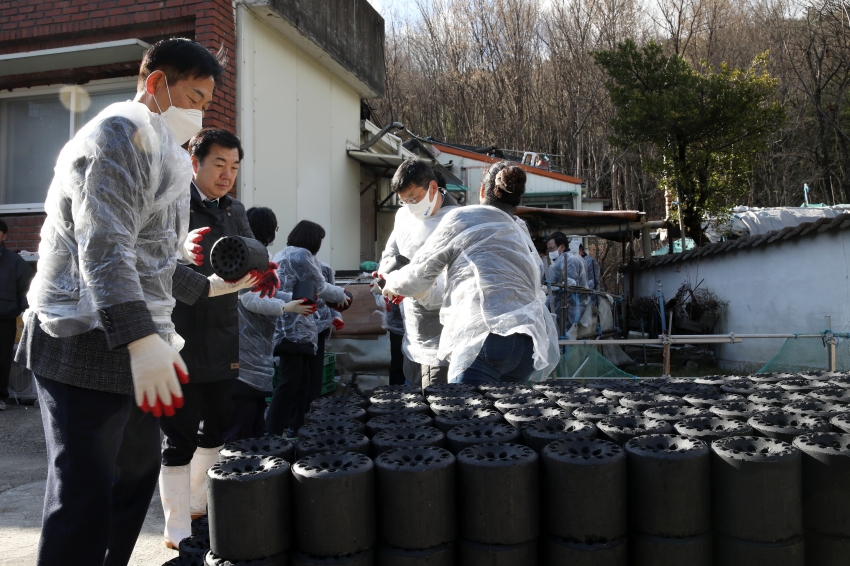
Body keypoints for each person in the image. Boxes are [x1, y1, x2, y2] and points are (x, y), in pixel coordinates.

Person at [15, 38, 275, 566]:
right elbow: (103, 243)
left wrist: (208, 284)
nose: (198, 113)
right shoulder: (119, 134)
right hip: (82, 345)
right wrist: (139, 338)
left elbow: (149, 257)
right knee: (85, 490)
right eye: (194, 97)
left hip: (138, 348)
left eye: (207, 102)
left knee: (131, 479)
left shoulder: (164, 151)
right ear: (156, 83)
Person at [381, 162, 559, 385]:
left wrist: (391, 283)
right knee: (503, 417)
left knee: (461, 417)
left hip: (483, 338)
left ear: (482, 191)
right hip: (527, 343)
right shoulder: (519, 229)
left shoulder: (462, 218)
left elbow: (418, 276)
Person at [223, 207, 315, 443]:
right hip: (245, 352)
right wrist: (286, 307)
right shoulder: (248, 255)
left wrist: (290, 301)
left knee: (253, 423)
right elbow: (250, 298)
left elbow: (266, 294)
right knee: (240, 427)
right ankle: (235, 470)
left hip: (257, 349)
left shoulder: (259, 255)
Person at [377, 159, 459, 389]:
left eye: (413, 198)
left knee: (438, 402)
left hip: (442, 334)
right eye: (404, 201)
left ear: (433, 187)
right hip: (411, 331)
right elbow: (390, 251)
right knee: (414, 403)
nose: (410, 206)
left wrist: (414, 288)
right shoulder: (404, 216)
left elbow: (453, 285)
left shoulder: (455, 221)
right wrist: (387, 274)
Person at [268, 220, 348, 438]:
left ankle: (295, 428)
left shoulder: (283, 254)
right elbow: (320, 287)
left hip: (292, 326)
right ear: (312, 239)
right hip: (292, 329)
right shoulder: (301, 255)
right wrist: (342, 296)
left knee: (300, 382)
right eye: (319, 240)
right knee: (291, 381)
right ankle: (273, 431)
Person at [0, 220, 34, 411]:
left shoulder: (14, 262)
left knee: (3, 359)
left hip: (5, 317)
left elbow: (28, 288)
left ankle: (1, 396)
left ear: (4, 236)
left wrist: (26, 312)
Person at [546, 232, 588, 336]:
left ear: (562, 246)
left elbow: (570, 284)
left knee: (571, 337)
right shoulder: (557, 262)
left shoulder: (570, 260)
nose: (550, 252)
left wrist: (549, 289)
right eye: (549, 249)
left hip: (572, 307)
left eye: (552, 248)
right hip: (560, 308)